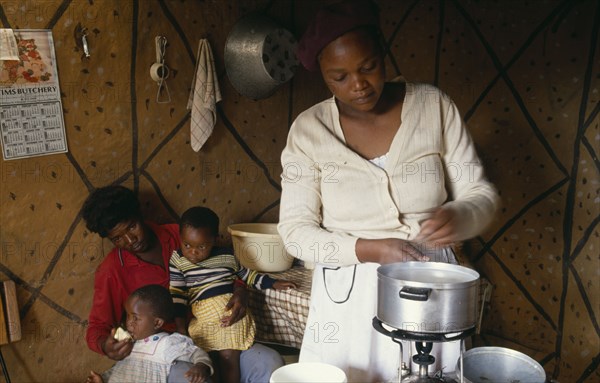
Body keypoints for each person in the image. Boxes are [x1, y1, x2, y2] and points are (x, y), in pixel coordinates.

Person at [278, 0, 499, 382]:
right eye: (340, 77)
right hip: (347, 291)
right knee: (352, 374)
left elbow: (480, 193)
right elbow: (295, 234)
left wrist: (462, 214)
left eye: (368, 67)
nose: (359, 85)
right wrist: (369, 249)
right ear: (323, 78)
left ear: (383, 53)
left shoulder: (433, 106)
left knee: (428, 374)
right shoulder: (308, 131)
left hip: (428, 284)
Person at [82, 185, 285, 383]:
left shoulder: (181, 236)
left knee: (269, 362)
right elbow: (98, 327)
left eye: (132, 227)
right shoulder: (112, 270)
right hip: (169, 353)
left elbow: (228, 265)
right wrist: (106, 345)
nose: (130, 239)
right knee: (194, 379)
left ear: (140, 215)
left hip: (219, 333)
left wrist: (241, 291)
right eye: (118, 238)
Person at [169, 206, 297, 383]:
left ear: (215, 240)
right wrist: (180, 326)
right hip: (203, 317)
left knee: (229, 354)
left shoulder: (227, 256)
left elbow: (248, 275)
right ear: (180, 238)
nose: (193, 252)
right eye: (187, 245)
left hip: (231, 315)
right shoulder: (178, 260)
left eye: (201, 246)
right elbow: (177, 294)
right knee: (207, 354)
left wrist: (273, 283)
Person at [86, 284, 212, 383]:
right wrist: (103, 379)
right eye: (128, 316)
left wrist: (201, 365)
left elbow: (196, 352)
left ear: (157, 323)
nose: (129, 322)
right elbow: (122, 370)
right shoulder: (129, 344)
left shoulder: (166, 343)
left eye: (135, 318)